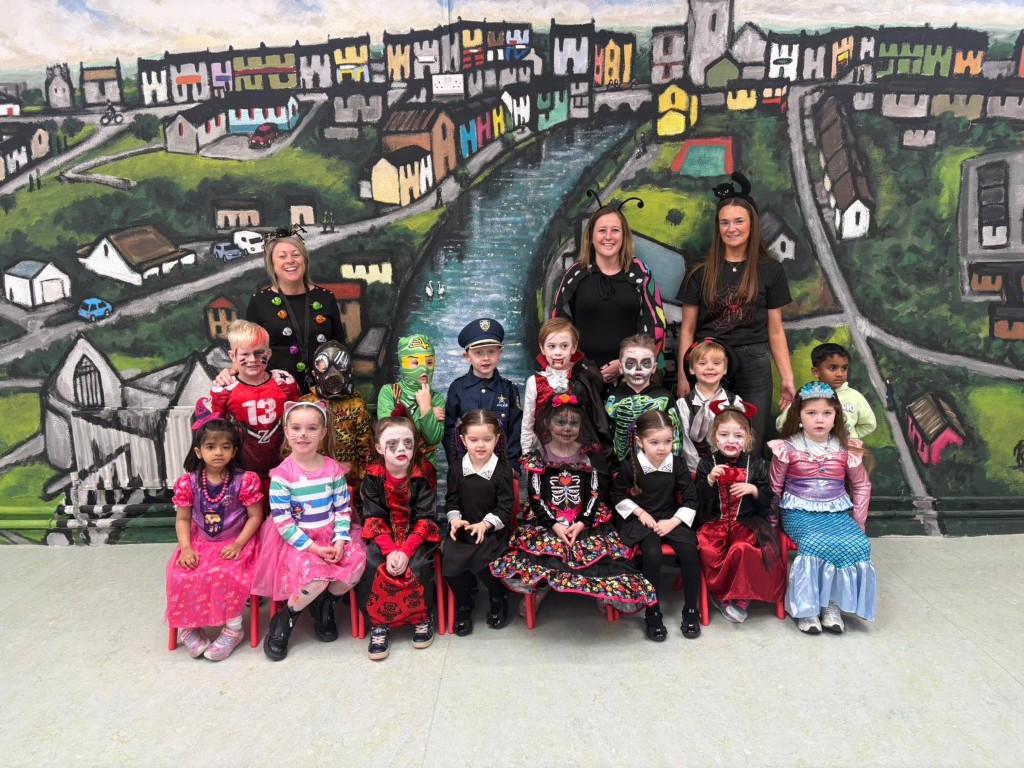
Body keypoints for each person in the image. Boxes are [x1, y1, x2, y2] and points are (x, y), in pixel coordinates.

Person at [490, 392, 657, 622]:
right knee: (548, 548)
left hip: (583, 517)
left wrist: (580, 523)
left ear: (581, 426)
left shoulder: (586, 457)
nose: (567, 428)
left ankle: (599, 586)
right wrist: (556, 526)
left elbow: (594, 494)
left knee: (594, 549)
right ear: (548, 423)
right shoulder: (538, 456)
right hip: (547, 519)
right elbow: (536, 498)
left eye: (573, 423)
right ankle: (541, 586)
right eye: (560, 422)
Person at [678, 173, 795, 450]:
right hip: (708, 360)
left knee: (749, 438)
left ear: (752, 224)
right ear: (718, 227)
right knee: (707, 438)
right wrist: (684, 375)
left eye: (739, 221)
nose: (732, 228)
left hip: (753, 361)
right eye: (725, 222)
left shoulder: (770, 270)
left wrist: (787, 377)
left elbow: (775, 329)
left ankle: (747, 491)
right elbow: (687, 328)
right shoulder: (700, 270)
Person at [252, 401, 366, 661]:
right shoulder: (283, 475)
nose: (303, 434)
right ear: (287, 431)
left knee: (356, 565)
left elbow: (342, 509)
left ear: (323, 433)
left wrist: (339, 541)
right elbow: (282, 521)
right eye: (296, 428)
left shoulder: (332, 470)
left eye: (311, 428)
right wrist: (313, 548)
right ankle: (286, 618)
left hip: (331, 535)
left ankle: (326, 605)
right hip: (297, 541)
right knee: (317, 578)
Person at [769, 381, 875, 635]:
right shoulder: (787, 448)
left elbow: (862, 486)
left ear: (836, 415)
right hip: (798, 512)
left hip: (837, 512)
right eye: (811, 413)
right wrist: (772, 525)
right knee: (815, 542)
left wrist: (858, 523)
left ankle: (831, 604)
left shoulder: (846, 449)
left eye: (827, 413)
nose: (819, 420)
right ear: (799, 416)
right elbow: (774, 488)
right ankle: (807, 609)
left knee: (857, 544)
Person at [165, 419, 264, 661]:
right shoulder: (187, 483)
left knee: (226, 572)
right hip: (200, 543)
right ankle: (189, 625)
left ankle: (234, 629)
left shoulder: (245, 480)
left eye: (225, 447)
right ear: (199, 452)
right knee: (183, 573)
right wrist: (186, 547)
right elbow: (183, 520)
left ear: (234, 451)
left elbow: (255, 516)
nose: (218, 452)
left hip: (237, 540)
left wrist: (239, 544)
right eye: (210, 447)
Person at [357, 414, 442, 661]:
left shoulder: (423, 472)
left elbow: (426, 517)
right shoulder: (373, 475)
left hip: (417, 533)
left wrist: (405, 551)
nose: (401, 449)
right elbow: (372, 516)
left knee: (417, 565)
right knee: (373, 563)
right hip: (383, 534)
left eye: (407, 443)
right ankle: (378, 624)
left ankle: (422, 618)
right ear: (378, 447)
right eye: (392, 444)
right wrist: (389, 549)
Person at [611, 410, 702, 640]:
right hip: (641, 520)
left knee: (690, 552)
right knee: (652, 553)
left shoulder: (677, 464)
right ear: (640, 442)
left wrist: (673, 522)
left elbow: (691, 498)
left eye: (668, 441)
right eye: (655, 442)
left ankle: (691, 609)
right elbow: (614, 494)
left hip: (670, 517)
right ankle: (652, 612)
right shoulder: (631, 465)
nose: (662, 448)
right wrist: (639, 511)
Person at [552, 202, 667, 383]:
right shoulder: (575, 274)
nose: (608, 237)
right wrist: (584, 366)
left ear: (624, 236)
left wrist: (624, 365)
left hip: (632, 377)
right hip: (581, 377)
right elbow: (557, 327)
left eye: (615, 230)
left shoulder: (640, 273)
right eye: (601, 230)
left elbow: (655, 326)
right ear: (590, 236)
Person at [695, 405, 785, 624]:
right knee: (708, 549)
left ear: (747, 439)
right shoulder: (707, 463)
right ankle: (721, 595)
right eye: (724, 435)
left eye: (738, 435)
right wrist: (708, 480)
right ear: (714, 437)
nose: (731, 440)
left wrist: (753, 490)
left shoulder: (755, 464)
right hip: (714, 522)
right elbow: (695, 499)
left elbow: (769, 499)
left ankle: (742, 596)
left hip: (746, 523)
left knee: (742, 549)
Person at [195, 320, 300, 497]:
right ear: (232, 356)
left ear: (269, 353)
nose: (253, 360)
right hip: (243, 473)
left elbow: (301, 421)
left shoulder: (284, 381)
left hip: (287, 471)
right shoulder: (224, 389)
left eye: (259, 353)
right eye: (245, 354)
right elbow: (215, 433)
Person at [244, 232, 345, 391]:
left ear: (304, 260)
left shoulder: (326, 298)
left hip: (323, 391)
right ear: (272, 265)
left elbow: (339, 346)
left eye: (296, 255)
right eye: (282, 256)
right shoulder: (259, 301)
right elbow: (246, 348)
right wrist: (232, 369)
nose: (290, 261)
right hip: (277, 393)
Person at [444, 410, 515, 636]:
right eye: (474, 440)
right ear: (463, 440)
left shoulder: (502, 471)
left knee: (485, 564)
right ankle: (464, 602)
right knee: (450, 566)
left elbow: (505, 509)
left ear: (497, 439)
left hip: (493, 532)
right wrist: (455, 520)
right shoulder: (456, 468)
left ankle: (498, 597)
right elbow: (451, 500)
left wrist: (485, 525)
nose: (480, 445)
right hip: (464, 531)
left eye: (487, 439)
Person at [520, 317, 608, 457]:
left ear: (573, 347)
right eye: (552, 346)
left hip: (577, 453)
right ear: (542, 348)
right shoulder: (535, 381)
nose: (558, 352)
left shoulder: (582, 379)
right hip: (544, 452)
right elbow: (528, 421)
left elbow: (591, 421)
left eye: (564, 346)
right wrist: (527, 452)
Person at [302, 340, 373, 505]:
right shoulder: (307, 404)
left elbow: (366, 447)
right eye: (323, 366)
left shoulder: (357, 405)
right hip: (315, 479)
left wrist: (365, 480)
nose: (333, 372)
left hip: (350, 480)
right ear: (314, 373)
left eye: (340, 365)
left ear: (350, 370)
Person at [444, 318, 523, 467]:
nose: (486, 358)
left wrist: (512, 463)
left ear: (500, 353)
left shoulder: (509, 390)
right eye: (478, 352)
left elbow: (516, 429)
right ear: (467, 356)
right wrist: (458, 464)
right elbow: (449, 430)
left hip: (502, 467)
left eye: (491, 351)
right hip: (466, 470)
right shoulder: (457, 388)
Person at [776, 343, 877, 440]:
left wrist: (851, 437)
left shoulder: (855, 397)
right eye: (833, 368)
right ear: (816, 372)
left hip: (844, 451)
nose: (839, 374)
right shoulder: (808, 394)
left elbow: (869, 424)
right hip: (812, 452)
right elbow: (781, 424)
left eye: (844, 368)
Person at [675, 338, 746, 474]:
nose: (710, 367)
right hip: (695, 471)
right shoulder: (683, 405)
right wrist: (701, 471)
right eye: (702, 363)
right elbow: (685, 443)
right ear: (691, 369)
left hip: (729, 469)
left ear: (725, 369)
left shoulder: (734, 402)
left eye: (716, 363)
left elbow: (741, 437)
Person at [604, 333, 676, 464]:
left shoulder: (664, 396)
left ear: (654, 367)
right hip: (620, 467)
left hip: (659, 466)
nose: (638, 369)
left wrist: (674, 465)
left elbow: (676, 435)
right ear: (620, 367)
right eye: (630, 363)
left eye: (645, 363)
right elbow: (606, 435)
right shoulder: (613, 398)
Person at [377, 334, 445, 469]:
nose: (424, 369)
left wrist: (426, 406)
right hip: (396, 467)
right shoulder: (389, 392)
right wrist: (425, 411)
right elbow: (391, 432)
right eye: (415, 363)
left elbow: (434, 438)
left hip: (426, 469)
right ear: (403, 364)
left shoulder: (437, 398)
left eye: (429, 362)